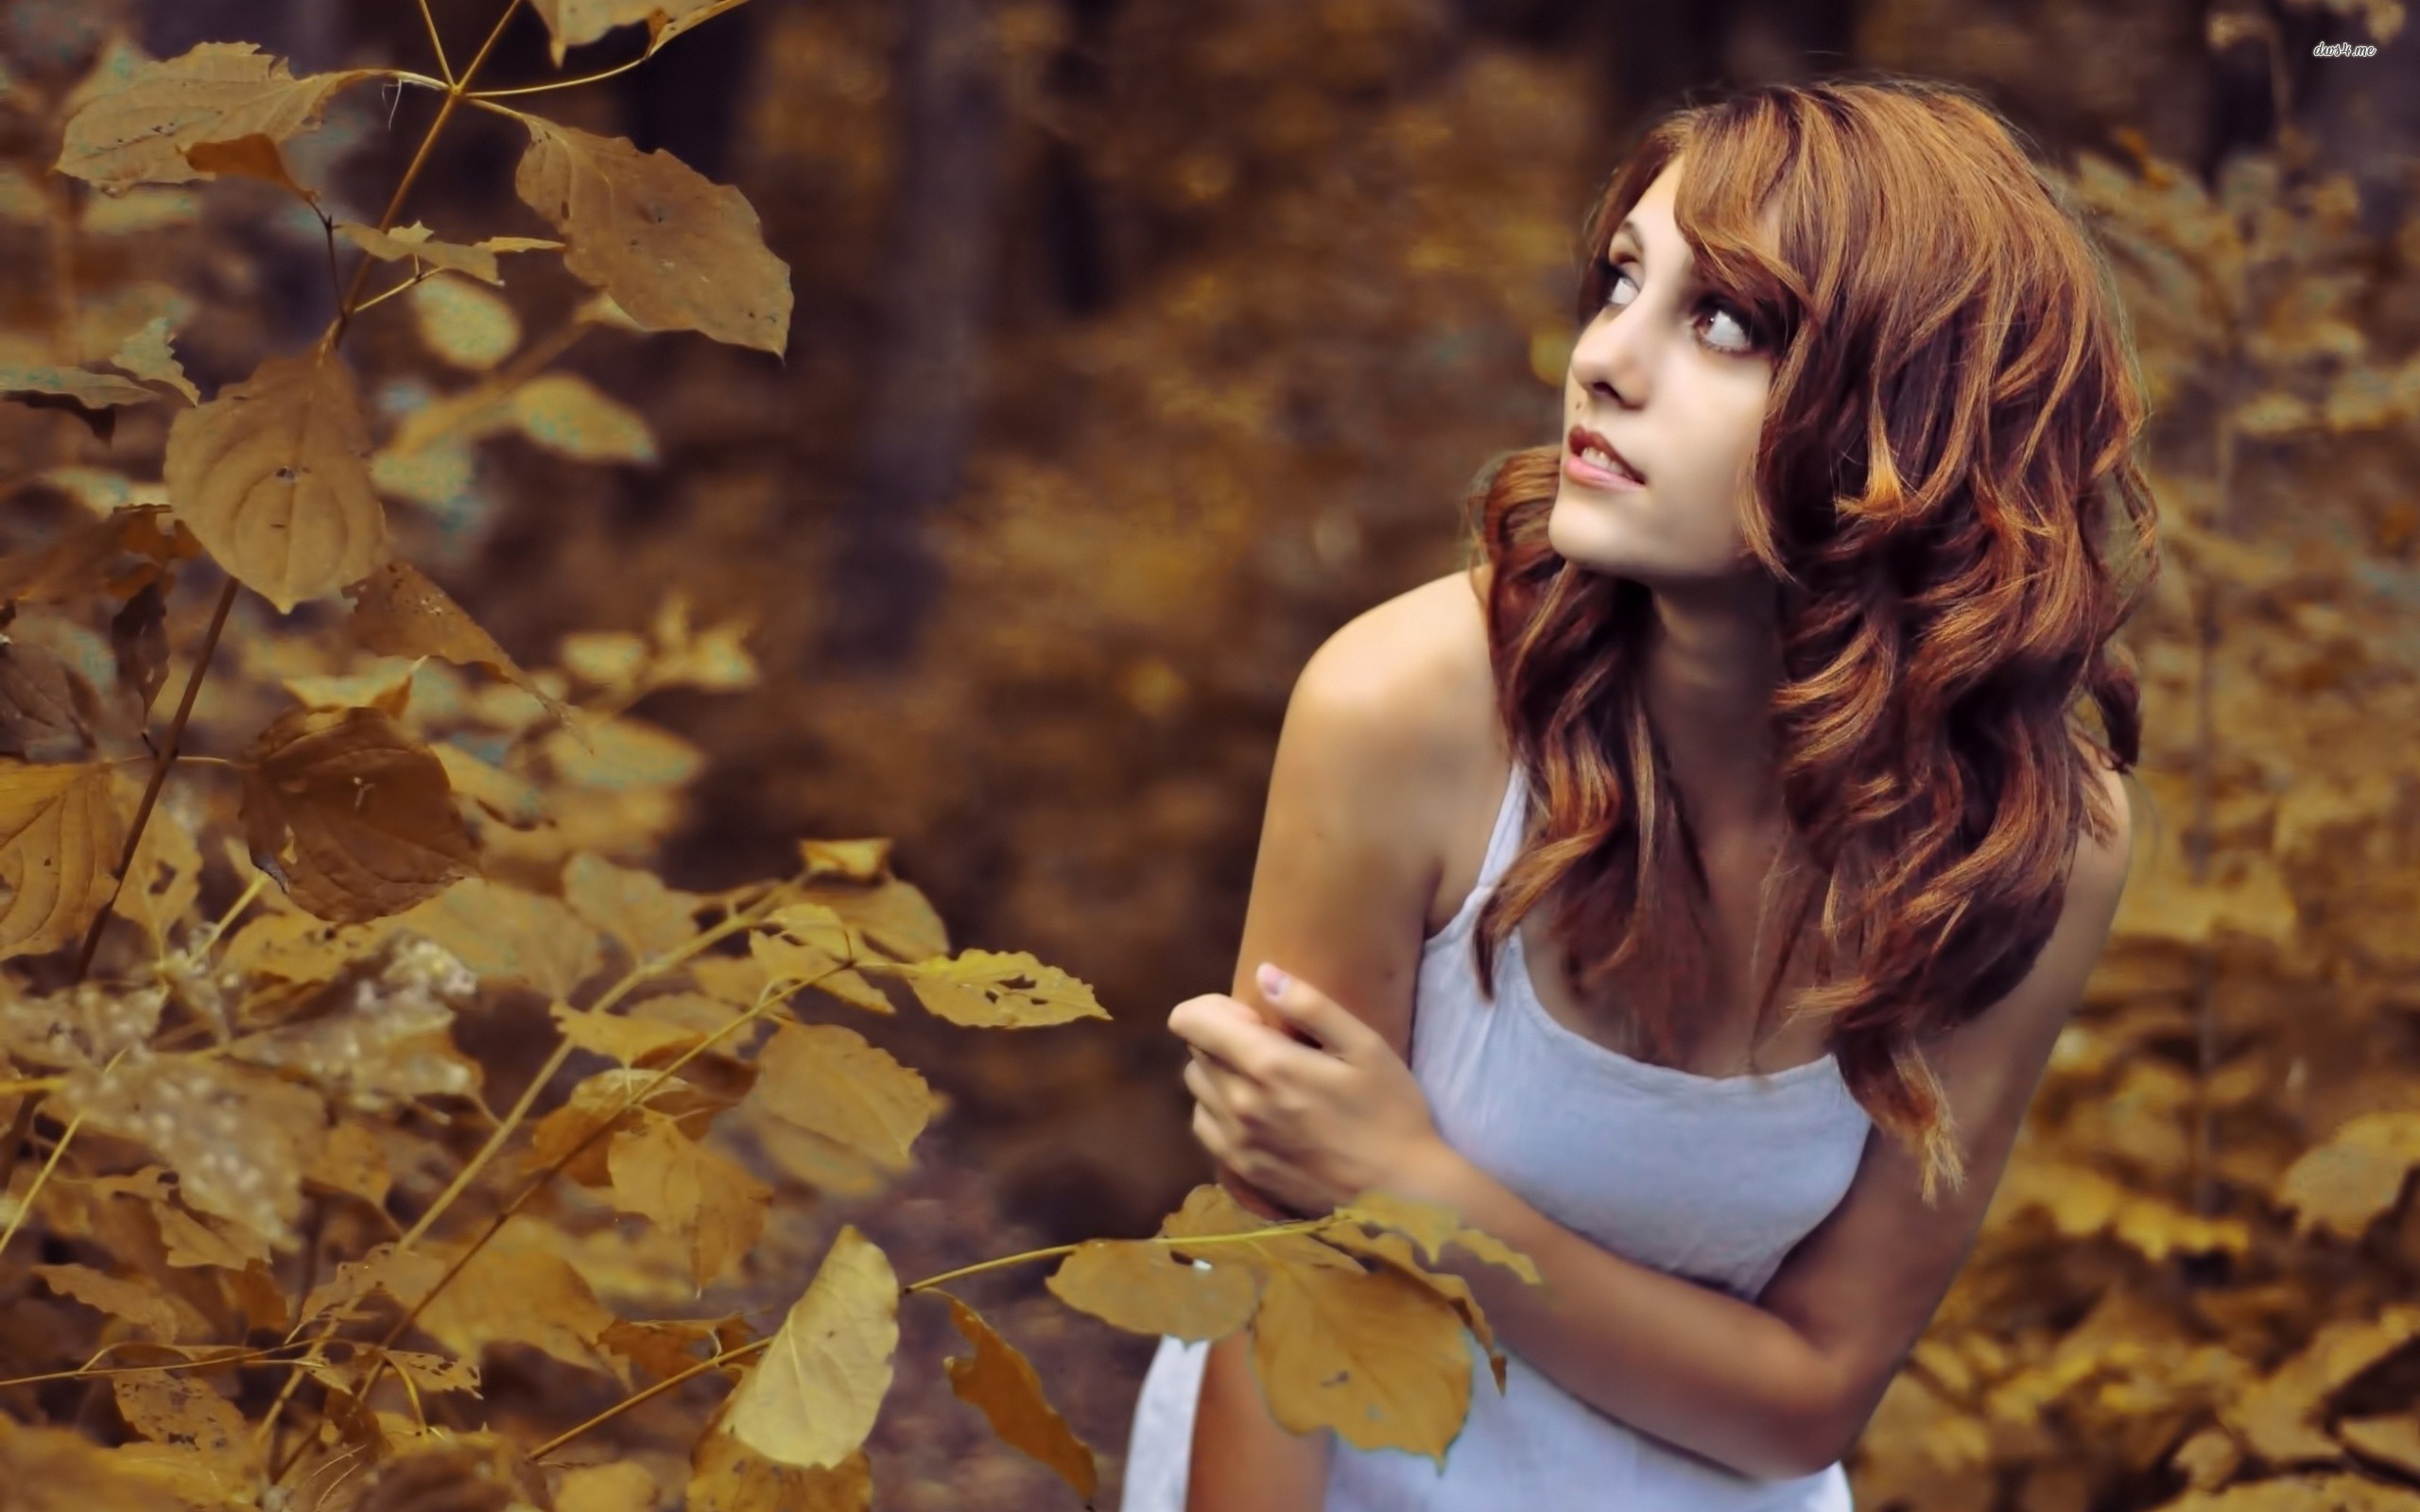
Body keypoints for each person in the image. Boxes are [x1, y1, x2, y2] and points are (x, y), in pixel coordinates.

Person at [1117, 73, 2159, 1512]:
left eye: (1721, 321)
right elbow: (1280, 1278)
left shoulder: (2035, 842)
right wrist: (1356, 1193)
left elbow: (1807, 1400)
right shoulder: (1409, 707)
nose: (1604, 357)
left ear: (1908, 421)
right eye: (1623, 280)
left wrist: (1422, 1190)